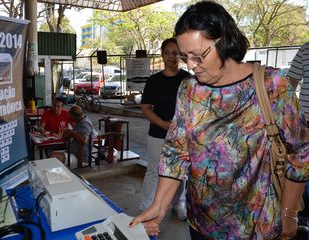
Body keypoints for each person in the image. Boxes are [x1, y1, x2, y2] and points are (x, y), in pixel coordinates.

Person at [130, 1, 309, 239]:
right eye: (185, 57)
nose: (192, 66)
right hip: (201, 224)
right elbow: (176, 152)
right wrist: (159, 206)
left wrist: (288, 214)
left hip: (257, 226)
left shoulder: (271, 85)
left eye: (198, 56)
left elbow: (300, 153)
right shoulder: (190, 90)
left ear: (224, 41)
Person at [139, 38, 190, 221]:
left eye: (175, 53)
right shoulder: (154, 80)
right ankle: (146, 207)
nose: (171, 56)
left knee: (180, 172)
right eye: (167, 52)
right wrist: (162, 124)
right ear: (162, 54)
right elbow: (146, 108)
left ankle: (179, 204)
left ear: (180, 55)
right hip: (158, 134)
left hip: (181, 136)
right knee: (154, 171)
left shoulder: (188, 80)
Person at [287, 43, 309, 234]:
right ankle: (303, 214)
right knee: (303, 170)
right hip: (305, 124)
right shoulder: (306, 49)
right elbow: (291, 81)